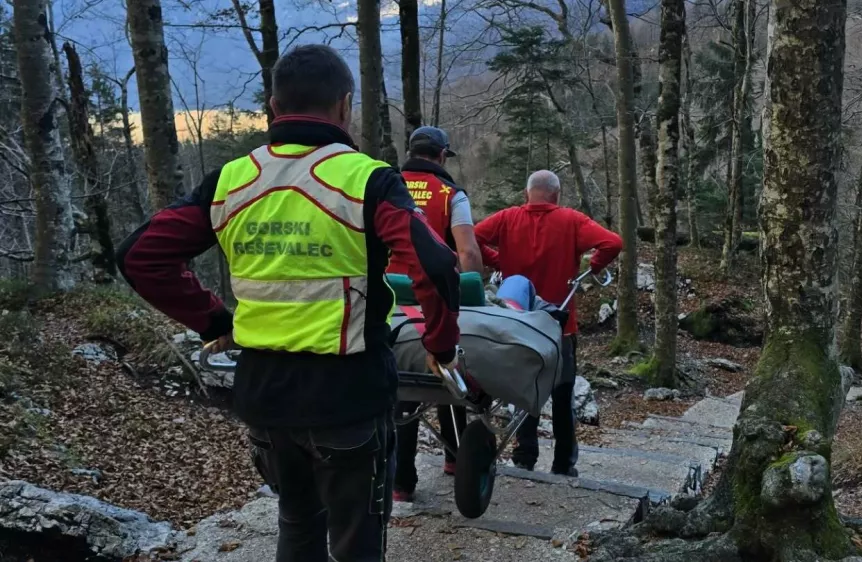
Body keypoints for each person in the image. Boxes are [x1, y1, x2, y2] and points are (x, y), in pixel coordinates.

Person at [116, 45, 460, 562]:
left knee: (297, 525)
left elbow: (141, 256)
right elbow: (434, 265)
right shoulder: (368, 180)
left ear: (274, 108)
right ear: (345, 107)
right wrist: (442, 345)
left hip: (265, 397)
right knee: (357, 544)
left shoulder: (231, 180)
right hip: (348, 396)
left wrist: (215, 321)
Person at [474, 170, 621, 476]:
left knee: (522, 391)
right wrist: (592, 267)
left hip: (517, 326)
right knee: (562, 395)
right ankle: (563, 464)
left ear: (527, 194)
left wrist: (497, 260)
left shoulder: (507, 218)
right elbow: (612, 242)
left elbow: (471, 237)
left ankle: (525, 457)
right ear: (556, 195)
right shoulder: (572, 220)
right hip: (559, 327)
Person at [386, 126, 482, 503]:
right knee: (447, 370)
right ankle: (455, 459)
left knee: (402, 389)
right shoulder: (451, 195)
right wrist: (472, 292)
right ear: (442, 156)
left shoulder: (384, 185)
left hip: (386, 301)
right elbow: (468, 252)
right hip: (429, 299)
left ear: (410, 151)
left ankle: (401, 482)